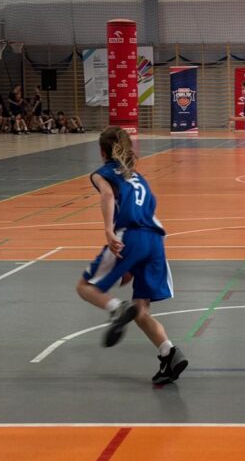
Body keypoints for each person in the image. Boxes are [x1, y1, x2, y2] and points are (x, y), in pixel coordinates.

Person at [77, 126, 188, 386]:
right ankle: (169, 354)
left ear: (102, 151)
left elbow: (107, 195)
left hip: (131, 237)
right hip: (156, 241)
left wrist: (108, 230)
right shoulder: (138, 177)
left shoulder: (102, 173)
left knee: (85, 287)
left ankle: (117, 309)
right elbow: (151, 206)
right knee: (141, 310)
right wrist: (130, 265)